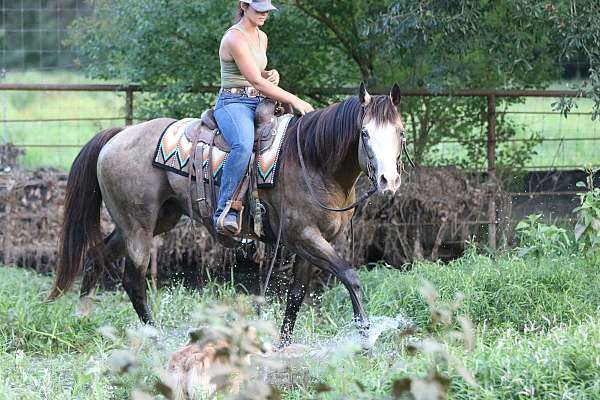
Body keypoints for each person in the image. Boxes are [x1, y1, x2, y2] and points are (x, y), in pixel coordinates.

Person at [214, 0, 314, 235]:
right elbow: (255, 81)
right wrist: (294, 100)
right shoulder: (234, 38)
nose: (264, 14)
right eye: (259, 9)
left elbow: (257, 75)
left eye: (267, 10)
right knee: (243, 144)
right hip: (233, 103)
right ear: (243, 6)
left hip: (258, 101)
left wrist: (272, 74)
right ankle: (224, 209)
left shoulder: (262, 37)